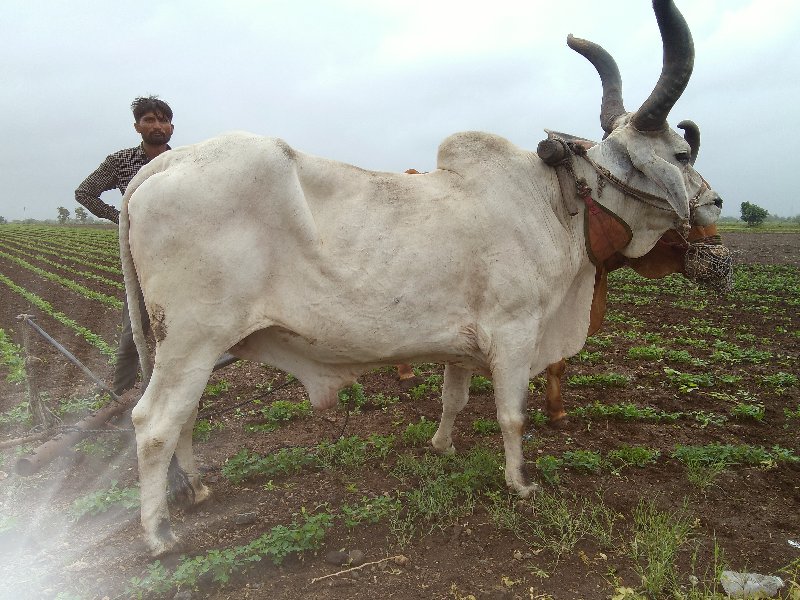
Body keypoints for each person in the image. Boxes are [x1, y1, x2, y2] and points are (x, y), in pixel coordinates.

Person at [75, 96, 174, 395]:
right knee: (134, 334)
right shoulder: (120, 162)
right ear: (137, 126)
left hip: (183, 253)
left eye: (162, 120)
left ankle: (175, 397)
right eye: (149, 120)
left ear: (171, 126)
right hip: (142, 255)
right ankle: (120, 399)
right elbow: (85, 193)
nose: (157, 125)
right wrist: (121, 219)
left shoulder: (186, 159)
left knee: (186, 332)